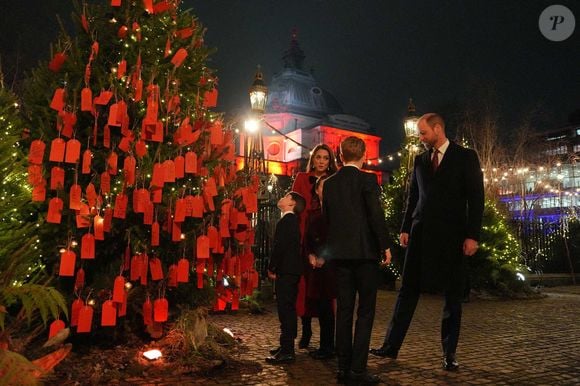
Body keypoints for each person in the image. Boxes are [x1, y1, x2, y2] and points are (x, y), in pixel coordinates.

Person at [370, 113, 484, 371]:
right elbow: (413, 196)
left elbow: (476, 199)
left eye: (423, 133)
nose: (420, 138)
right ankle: (390, 347)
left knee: (452, 296)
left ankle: (449, 353)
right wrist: (406, 227)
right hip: (420, 234)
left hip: (453, 236)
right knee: (407, 290)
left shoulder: (466, 157)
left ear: (438, 128)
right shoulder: (421, 160)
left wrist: (472, 235)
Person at [321, 136, 391, 384]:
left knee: (344, 311)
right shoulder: (367, 179)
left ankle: (342, 367)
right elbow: (375, 214)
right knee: (366, 311)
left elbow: (327, 218)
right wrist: (385, 245)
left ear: (340, 156)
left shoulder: (329, 184)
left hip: (339, 254)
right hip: (365, 253)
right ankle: (358, 369)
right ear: (364, 156)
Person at [291, 144, 338, 350]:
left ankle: (327, 339)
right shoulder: (302, 178)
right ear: (313, 159)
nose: (321, 161)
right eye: (318, 157)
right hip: (304, 238)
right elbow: (294, 206)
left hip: (324, 240)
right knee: (304, 288)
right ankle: (306, 330)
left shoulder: (333, 180)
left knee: (325, 291)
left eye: (325, 158)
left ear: (330, 161)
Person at [265, 191, 306, 364]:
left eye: (286, 196)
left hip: (287, 271)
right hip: (291, 270)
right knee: (287, 308)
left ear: (292, 204)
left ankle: (288, 350)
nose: (282, 197)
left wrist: (272, 266)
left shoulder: (287, 221)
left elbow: (280, 247)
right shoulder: (291, 221)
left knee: (286, 309)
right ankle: (285, 345)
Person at [303, 176, 336, 360]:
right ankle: (325, 346)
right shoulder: (313, 213)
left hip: (331, 266)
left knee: (329, 308)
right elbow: (307, 238)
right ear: (316, 190)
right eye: (323, 186)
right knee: (322, 306)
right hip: (316, 266)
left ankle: (329, 346)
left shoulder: (337, 213)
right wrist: (311, 255)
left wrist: (325, 256)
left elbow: (336, 238)